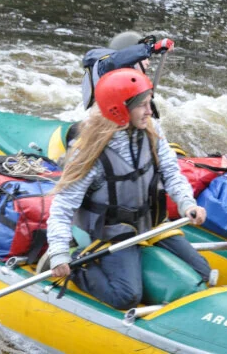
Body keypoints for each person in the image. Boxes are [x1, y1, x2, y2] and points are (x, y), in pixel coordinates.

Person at [45, 68, 210, 309]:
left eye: (149, 103)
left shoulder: (152, 132)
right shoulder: (90, 152)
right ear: (120, 109)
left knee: (202, 272)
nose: (149, 111)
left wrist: (187, 203)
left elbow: (172, 173)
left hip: (149, 226)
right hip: (112, 235)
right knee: (126, 296)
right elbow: (62, 207)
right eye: (142, 105)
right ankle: (79, 265)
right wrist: (59, 252)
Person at [81, 30, 174, 110]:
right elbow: (117, 60)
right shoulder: (104, 67)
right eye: (145, 58)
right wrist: (151, 48)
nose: (148, 63)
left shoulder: (126, 80)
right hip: (101, 122)